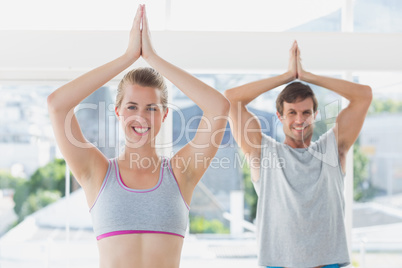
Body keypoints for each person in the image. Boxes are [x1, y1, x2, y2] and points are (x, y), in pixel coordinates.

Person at [47, 5, 229, 268]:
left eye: (151, 108)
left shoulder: (181, 172)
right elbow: (57, 105)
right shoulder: (96, 173)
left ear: (164, 115)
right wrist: (128, 57)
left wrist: (153, 58)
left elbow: (218, 107)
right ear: (118, 111)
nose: (141, 117)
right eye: (132, 107)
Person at [224, 41, 372, 268]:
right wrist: (286, 76)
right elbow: (231, 99)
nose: (299, 120)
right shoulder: (263, 152)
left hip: (328, 264)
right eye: (291, 112)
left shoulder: (332, 149)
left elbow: (364, 95)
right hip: (278, 263)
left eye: (306, 112)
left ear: (315, 115)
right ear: (280, 116)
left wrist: (307, 76)